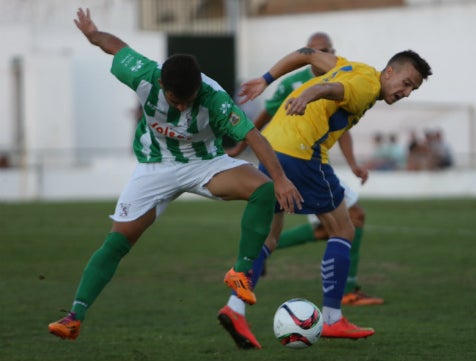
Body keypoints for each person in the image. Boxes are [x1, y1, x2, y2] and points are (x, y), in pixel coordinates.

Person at [47, 8, 302, 341]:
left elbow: (253, 136)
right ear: (162, 85)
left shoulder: (215, 99)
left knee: (264, 190)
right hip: (155, 166)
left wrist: (281, 179)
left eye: (189, 101)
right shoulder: (143, 74)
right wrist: (94, 35)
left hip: (205, 164)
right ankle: (74, 316)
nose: (182, 108)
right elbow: (116, 46)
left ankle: (240, 271)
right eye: (175, 100)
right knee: (117, 243)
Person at [220, 43, 432, 348]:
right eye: (406, 83)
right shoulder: (366, 85)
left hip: (271, 148)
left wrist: (266, 79)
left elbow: (306, 54)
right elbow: (335, 89)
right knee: (344, 228)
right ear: (389, 72)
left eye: (413, 88)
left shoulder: (352, 66)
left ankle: (235, 308)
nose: (407, 92)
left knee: (268, 238)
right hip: (302, 154)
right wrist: (309, 94)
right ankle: (332, 319)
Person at [226, 32, 383, 308]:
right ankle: (341, 300)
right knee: (348, 222)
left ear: (331, 51)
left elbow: (343, 128)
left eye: (326, 49)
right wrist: (243, 144)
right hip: (299, 155)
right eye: (316, 50)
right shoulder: (297, 82)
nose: (321, 54)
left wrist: (353, 163)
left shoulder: (340, 74)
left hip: (288, 155)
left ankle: (237, 300)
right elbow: (269, 111)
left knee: (277, 234)